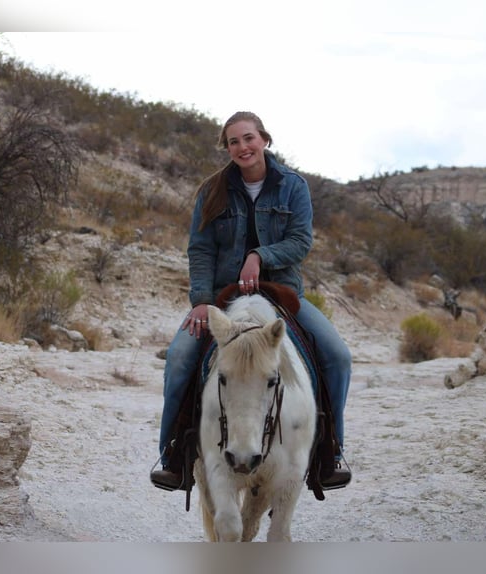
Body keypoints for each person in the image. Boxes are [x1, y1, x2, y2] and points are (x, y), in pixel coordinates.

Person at [150, 111, 351, 491]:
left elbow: (300, 241)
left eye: (248, 138)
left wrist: (260, 256)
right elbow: (201, 249)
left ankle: (330, 452)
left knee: (337, 357)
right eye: (233, 142)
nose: (242, 147)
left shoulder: (293, 186)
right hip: (224, 298)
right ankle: (173, 454)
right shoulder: (212, 191)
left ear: (264, 139)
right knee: (178, 358)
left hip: (283, 295)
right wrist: (201, 301)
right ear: (227, 148)